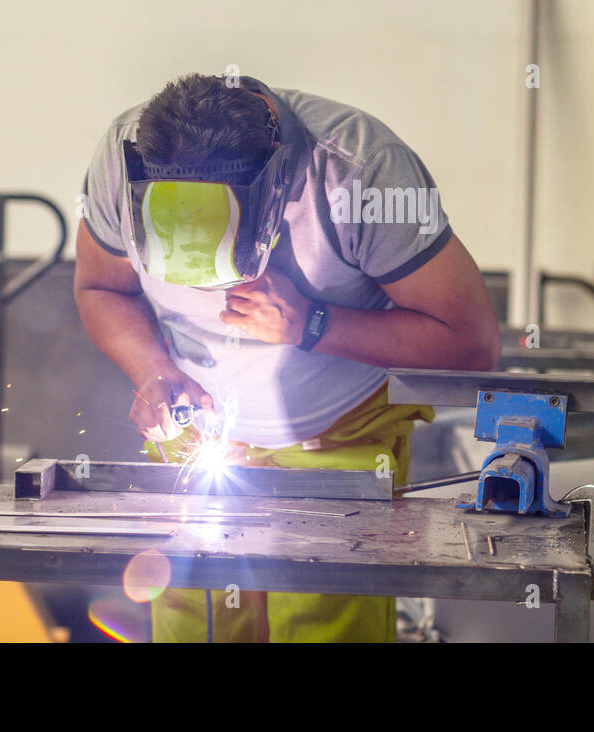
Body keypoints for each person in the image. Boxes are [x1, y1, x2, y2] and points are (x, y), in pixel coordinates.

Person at [74, 73, 500, 641]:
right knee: (192, 624)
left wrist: (312, 324)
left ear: (275, 187)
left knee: (324, 627)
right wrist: (154, 369)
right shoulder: (121, 158)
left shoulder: (363, 170)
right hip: (195, 442)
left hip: (337, 439)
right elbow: (101, 288)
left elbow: (471, 341)